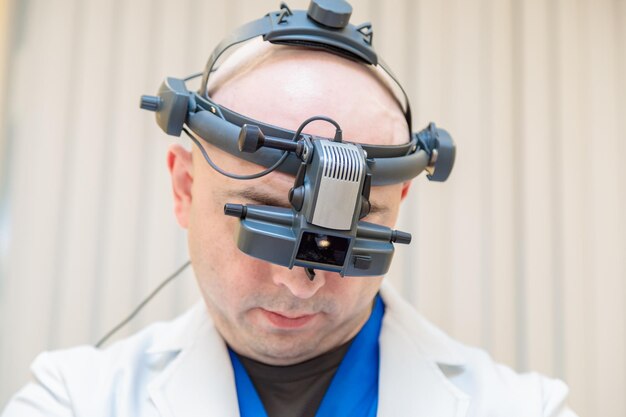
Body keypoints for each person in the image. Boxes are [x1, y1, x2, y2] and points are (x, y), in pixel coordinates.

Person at [2, 15, 577, 417]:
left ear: (399, 204)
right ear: (184, 186)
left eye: (354, 228)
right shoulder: (73, 400)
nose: (299, 281)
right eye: (265, 217)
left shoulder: (526, 408)